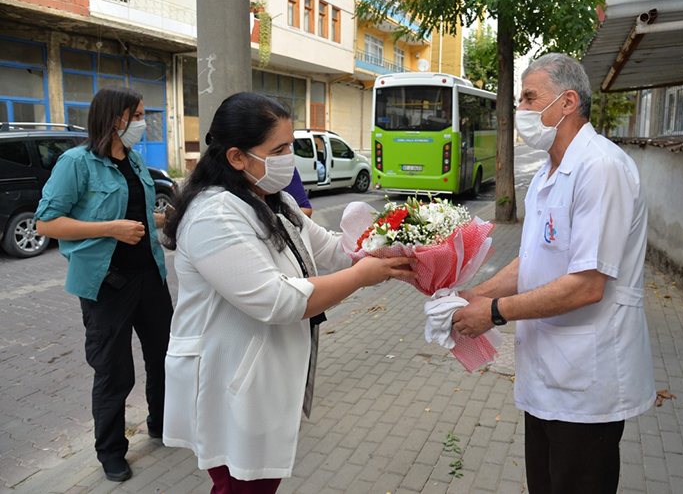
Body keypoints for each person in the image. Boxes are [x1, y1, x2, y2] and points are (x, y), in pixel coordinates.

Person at [160, 92, 415, 494]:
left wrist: (398, 250)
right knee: (239, 485)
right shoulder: (214, 215)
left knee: (256, 482)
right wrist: (364, 276)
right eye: (277, 149)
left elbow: (331, 250)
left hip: (262, 372)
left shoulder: (274, 201)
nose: (288, 159)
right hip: (228, 378)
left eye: (289, 147)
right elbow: (276, 300)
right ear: (236, 157)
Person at [452, 53, 655, 494]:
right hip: (547, 380)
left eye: (529, 98)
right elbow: (536, 259)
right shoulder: (550, 171)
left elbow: (587, 285)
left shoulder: (600, 168)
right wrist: (475, 294)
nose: (520, 110)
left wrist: (495, 312)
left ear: (566, 102)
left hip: (587, 384)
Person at [35, 86, 173, 482]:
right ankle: (111, 450)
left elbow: (141, 215)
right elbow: (47, 223)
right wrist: (109, 229)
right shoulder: (76, 163)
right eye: (139, 114)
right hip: (106, 284)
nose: (144, 123)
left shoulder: (136, 161)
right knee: (114, 373)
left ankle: (161, 424)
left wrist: (170, 219)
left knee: (164, 358)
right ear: (116, 118)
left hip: (151, 277)